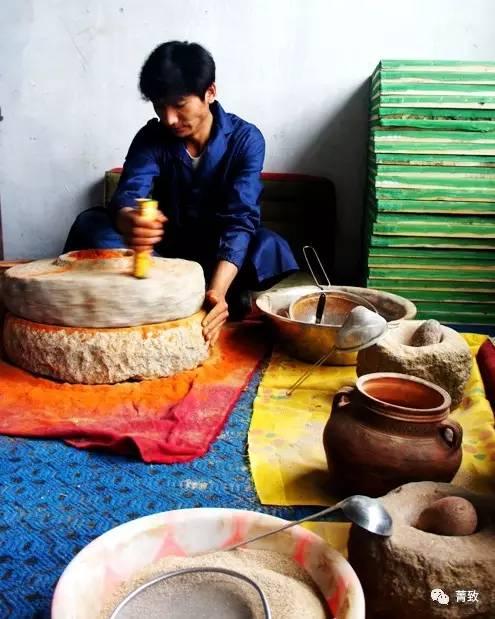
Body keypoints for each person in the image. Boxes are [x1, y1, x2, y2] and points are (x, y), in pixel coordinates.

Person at [64, 41, 298, 346]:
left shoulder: (246, 139)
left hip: (217, 254)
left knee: (269, 247)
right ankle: (181, 293)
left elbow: (239, 220)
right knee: (91, 224)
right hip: (163, 255)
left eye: (180, 104)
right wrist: (130, 221)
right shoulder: (151, 137)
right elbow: (128, 194)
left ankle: (215, 292)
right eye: (160, 106)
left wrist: (217, 292)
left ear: (210, 92)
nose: (169, 118)